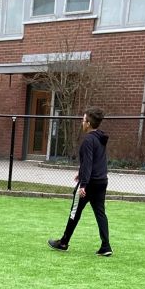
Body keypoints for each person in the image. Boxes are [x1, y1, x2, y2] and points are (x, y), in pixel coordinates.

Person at [48, 108, 112, 256]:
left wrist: (83, 184)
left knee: (74, 212)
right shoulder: (100, 138)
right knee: (100, 213)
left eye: (83, 120)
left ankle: (63, 243)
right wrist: (81, 172)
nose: (82, 122)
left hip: (89, 184)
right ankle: (106, 246)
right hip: (102, 181)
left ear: (88, 123)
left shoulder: (88, 140)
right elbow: (97, 161)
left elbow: (89, 162)